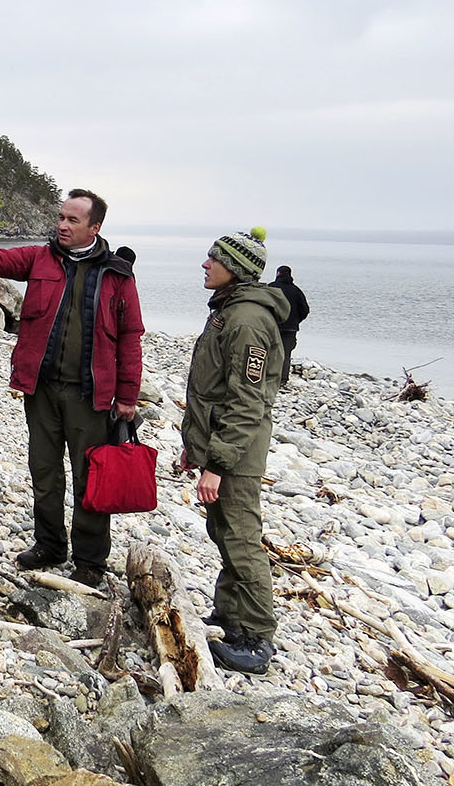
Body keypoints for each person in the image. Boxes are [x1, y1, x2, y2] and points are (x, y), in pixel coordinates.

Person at [0, 189, 144, 587]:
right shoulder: (41, 258)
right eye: (61, 217)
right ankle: (50, 545)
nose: (62, 225)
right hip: (41, 388)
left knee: (89, 477)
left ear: (95, 227)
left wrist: (127, 396)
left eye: (73, 220)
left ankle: (90, 560)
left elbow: (130, 337)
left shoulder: (117, 275)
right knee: (44, 469)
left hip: (90, 396)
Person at [182, 226, 289, 675]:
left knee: (242, 537)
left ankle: (257, 637)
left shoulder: (247, 321)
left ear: (237, 270)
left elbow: (246, 402)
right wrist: (196, 449)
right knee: (225, 532)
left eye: (215, 259)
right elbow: (211, 389)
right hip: (222, 445)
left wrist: (219, 464)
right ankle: (229, 617)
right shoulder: (228, 311)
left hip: (238, 453)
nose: (206, 264)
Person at [269, 265, 310, 385]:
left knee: (269, 350)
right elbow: (305, 310)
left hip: (272, 325)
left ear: (278, 274)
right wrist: (296, 321)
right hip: (290, 328)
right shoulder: (296, 291)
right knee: (285, 354)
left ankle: (268, 377)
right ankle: (283, 380)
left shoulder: (271, 288)